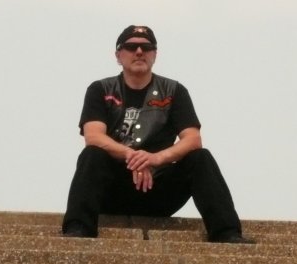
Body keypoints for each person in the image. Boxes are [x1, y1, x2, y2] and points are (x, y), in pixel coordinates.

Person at [62, 25, 253, 243]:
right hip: (114, 189)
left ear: (155, 54)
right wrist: (132, 156)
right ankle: (78, 229)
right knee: (92, 154)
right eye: (131, 47)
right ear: (118, 55)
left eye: (146, 47)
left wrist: (155, 158)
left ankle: (227, 232)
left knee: (201, 157)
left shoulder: (174, 91)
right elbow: (93, 137)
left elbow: (193, 139)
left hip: (158, 189)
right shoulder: (100, 89)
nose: (139, 52)